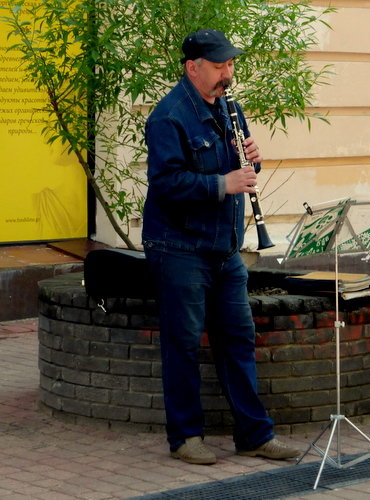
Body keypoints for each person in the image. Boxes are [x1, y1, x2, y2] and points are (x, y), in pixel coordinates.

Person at [142, 28, 300, 465]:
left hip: (224, 248)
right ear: (193, 67)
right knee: (184, 342)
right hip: (178, 247)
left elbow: (242, 169)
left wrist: (253, 158)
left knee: (238, 340)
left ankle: (253, 435)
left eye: (230, 64)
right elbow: (166, 183)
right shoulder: (168, 117)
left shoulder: (231, 108)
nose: (227, 73)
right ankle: (185, 438)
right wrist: (222, 183)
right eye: (218, 66)